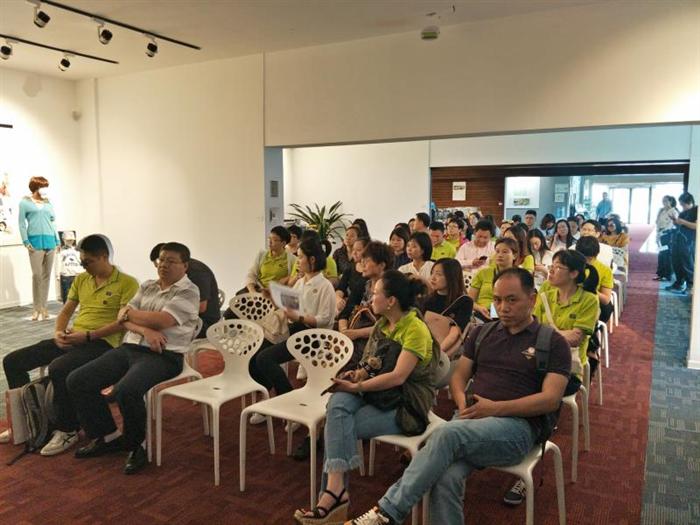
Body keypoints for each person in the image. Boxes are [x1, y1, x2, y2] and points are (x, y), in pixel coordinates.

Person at [342, 268, 571, 525]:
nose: (503, 307)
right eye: (497, 300)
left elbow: (550, 399)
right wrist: (462, 402)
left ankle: (386, 513)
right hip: (469, 419)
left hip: (517, 429)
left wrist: (494, 408)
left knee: (446, 434)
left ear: (532, 298)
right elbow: (458, 377)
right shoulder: (483, 334)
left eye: (511, 300)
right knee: (445, 475)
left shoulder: (552, 343)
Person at [294, 270, 438, 524]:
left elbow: (397, 377)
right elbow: (371, 364)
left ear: (391, 301)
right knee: (337, 404)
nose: (371, 298)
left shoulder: (415, 328)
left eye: (375, 293)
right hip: (378, 394)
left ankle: (332, 498)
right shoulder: (383, 325)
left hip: (405, 403)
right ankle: (335, 493)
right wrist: (356, 375)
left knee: (337, 425)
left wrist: (355, 386)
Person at [67, 242, 200, 475]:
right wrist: (145, 330)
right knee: (78, 379)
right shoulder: (147, 285)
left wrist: (131, 315)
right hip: (130, 348)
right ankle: (107, 436)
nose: (163, 265)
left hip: (164, 355)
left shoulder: (189, 291)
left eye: (171, 261)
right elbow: (123, 318)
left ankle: (136, 445)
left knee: (126, 390)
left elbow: (162, 320)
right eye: (161, 259)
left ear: (185, 266)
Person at [0, 234, 139, 451]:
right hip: (75, 337)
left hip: (103, 343)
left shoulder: (127, 283)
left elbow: (123, 323)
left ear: (104, 257)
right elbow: (66, 311)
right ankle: (26, 423)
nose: (83, 267)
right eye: (82, 262)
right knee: (13, 361)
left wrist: (89, 336)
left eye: (87, 262)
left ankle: (67, 429)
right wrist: (58, 332)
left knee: (60, 368)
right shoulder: (82, 280)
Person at [503, 250, 599, 505]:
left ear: (574, 273)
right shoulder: (545, 291)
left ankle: (531, 458)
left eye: (558, 267)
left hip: (568, 368)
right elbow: (533, 326)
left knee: (545, 396)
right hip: (537, 360)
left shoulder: (589, 300)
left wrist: (545, 334)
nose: (551, 270)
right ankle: (507, 437)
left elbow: (576, 338)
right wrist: (550, 334)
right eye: (552, 265)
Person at [249, 238, 336, 405]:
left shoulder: (325, 286)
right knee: (253, 355)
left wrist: (299, 317)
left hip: (314, 337)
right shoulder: (301, 282)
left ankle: (288, 400)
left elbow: (325, 320)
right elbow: (289, 308)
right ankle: (267, 394)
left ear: (312, 260)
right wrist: (272, 298)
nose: (298, 260)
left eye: (301, 257)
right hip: (294, 329)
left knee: (265, 358)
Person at [149, 243, 221, 338]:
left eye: (162, 261)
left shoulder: (197, 272)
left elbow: (201, 307)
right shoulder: (176, 272)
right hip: (183, 315)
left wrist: (166, 313)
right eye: (160, 261)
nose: (160, 266)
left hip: (204, 322)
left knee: (153, 326)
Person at [19, 176, 60, 321]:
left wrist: (57, 240)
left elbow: (53, 222)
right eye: (43, 187)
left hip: (50, 242)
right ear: (36, 187)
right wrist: (25, 241)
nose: (45, 189)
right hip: (35, 243)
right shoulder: (25, 203)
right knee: (37, 275)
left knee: (46, 276)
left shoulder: (48, 203)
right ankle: (36, 309)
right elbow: (21, 224)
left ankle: (44, 307)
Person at [422, 259, 473, 357]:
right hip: (423, 346)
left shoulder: (464, 301)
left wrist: (435, 354)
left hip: (444, 352)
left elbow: (454, 334)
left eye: (439, 274)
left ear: (451, 277)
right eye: (432, 273)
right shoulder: (427, 299)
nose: (433, 278)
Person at [468, 238, 519, 320]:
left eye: (505, 252)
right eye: (497, 251)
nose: (500, 255)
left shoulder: (519, 276)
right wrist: (479, 308)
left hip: (508, 314)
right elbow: (470, 300)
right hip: (482, 313)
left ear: (514, 255)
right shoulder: (483, 273)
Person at [242, 225, 296, 293]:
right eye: (269, 238)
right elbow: (251, 274)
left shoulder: (292, 259)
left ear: (283, 243)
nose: (270, 242)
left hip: (276, 293)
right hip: (258, 290)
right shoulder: (262, 255)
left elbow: (293, 278)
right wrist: (252, 291)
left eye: (274, 240)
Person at [667, 192, 697, 294]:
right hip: (678, 239)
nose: (682, 207)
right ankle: (679, 283)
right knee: (676, 262)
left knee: (687, 264)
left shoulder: (696, 210)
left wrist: (683, 222)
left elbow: (696, 226)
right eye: (681, 205)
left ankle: (690, 285)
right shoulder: (683, 212)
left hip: (688, 241)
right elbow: (679, 225)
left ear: (690, 202)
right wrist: (675, 221)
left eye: (683, 205)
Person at [336, 238, 370, 319]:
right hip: (349, 305)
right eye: (353, 249)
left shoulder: (370, 272)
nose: (354, 253)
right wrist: (338, 299)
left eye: (358, 250)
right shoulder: (350, 268)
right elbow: (340, 288)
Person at [654, 195, 677, 281]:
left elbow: (671, 224)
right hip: (660, 234)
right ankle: (660, 274)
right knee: (661, 254)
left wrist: (663, 232)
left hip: (667, 235)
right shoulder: (662, 211)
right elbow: (657, 222)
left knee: (666, 255)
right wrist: (658, 233)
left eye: (666, 201)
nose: (664, 202)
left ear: (671, 202)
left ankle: (667, 275)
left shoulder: (673, 211)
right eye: (663, 201)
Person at [56, 230, 83, 303]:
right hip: (66, 275)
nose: (69, 242)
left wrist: (82, 271)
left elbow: (81, 261)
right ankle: (66, 307)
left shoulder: (77, 250)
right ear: (64, 240)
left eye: (71, 240)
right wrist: (58, 275)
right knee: (66, 294)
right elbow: (58, 263)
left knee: (78, 293)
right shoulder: (61, 251)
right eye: (68, 240)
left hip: (76, 274)